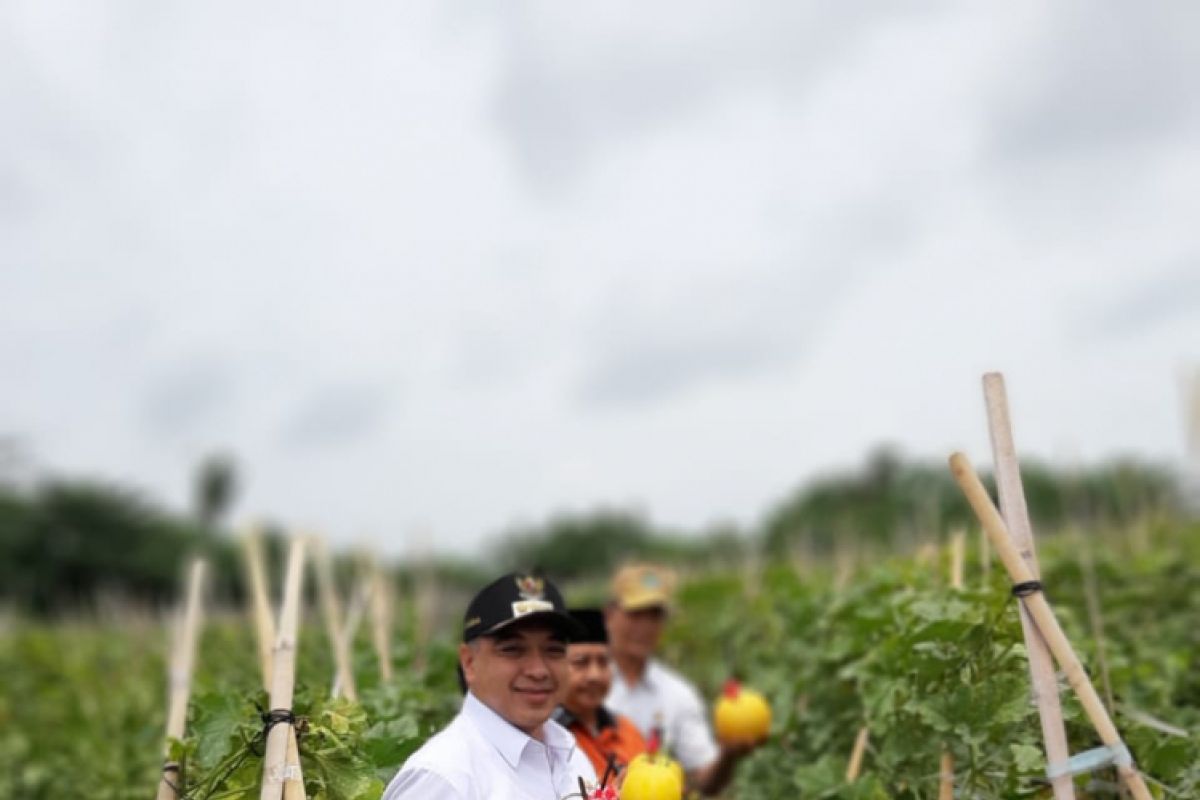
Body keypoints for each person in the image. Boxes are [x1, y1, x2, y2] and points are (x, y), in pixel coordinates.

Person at [382, 572, 598, 799]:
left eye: (553, 650)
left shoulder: (570, 756)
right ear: (469, 662)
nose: (538, 670)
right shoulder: (443, 780)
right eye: (513, 649)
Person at [603, 563, 765, 797]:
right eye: (635, 614)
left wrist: (729, 754)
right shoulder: (581, 686)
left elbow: (706, 781)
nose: (645, 626)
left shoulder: (678, 694)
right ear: (609, 614)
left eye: (655, 616)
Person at [553, 608, 647, 782]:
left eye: (603, 662)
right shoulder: (548, 739)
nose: (594, 675)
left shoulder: (626, 729)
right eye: (581, 663)